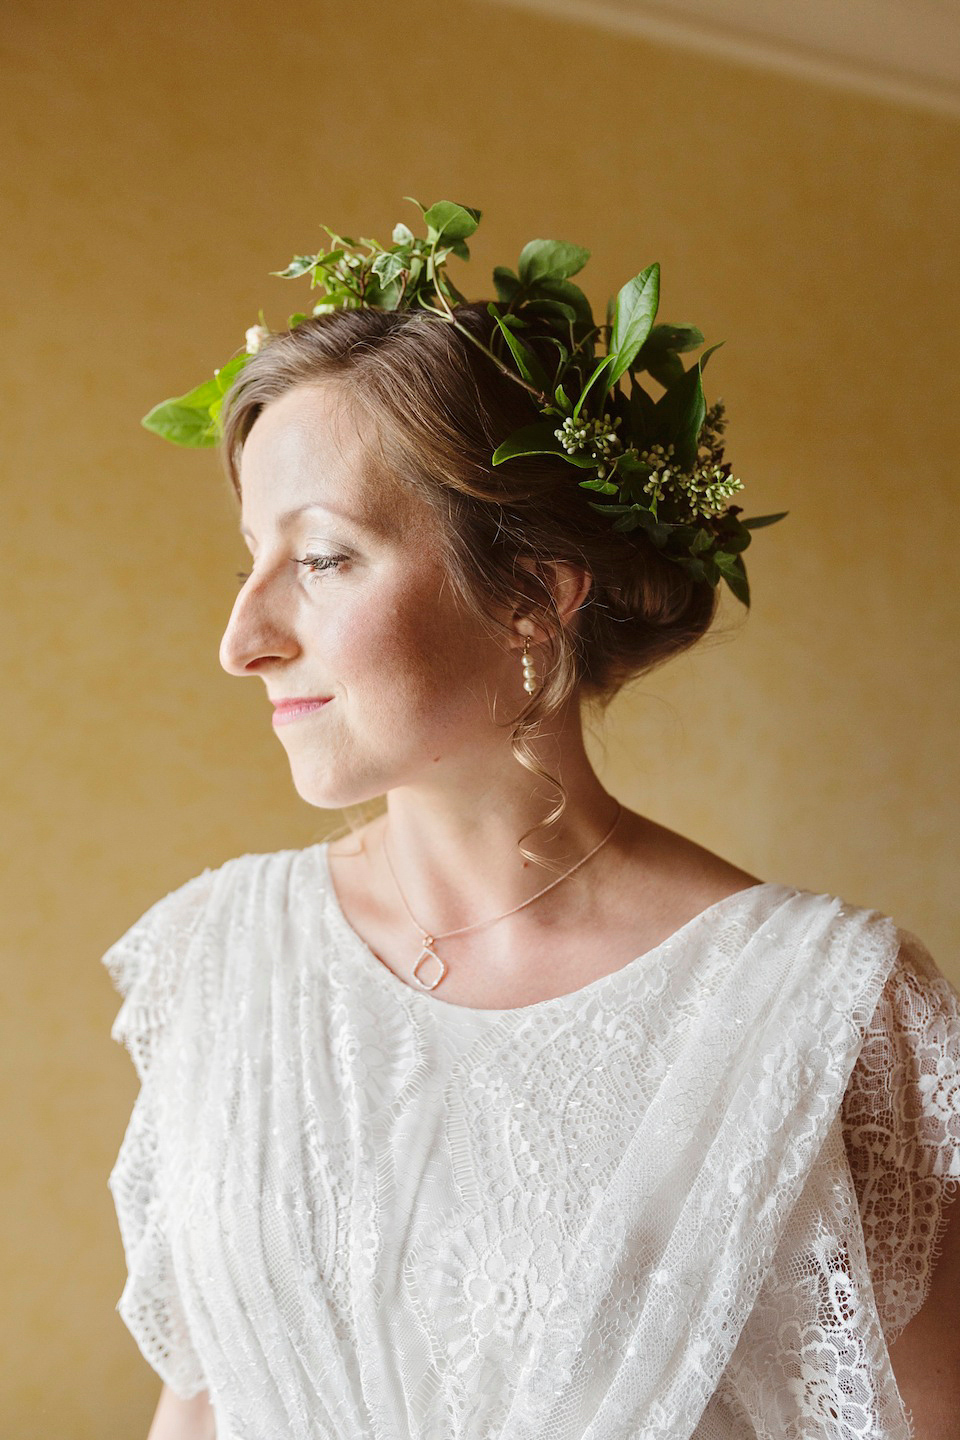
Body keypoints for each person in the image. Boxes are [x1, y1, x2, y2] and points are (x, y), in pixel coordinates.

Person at [103, 296, 960, 1440]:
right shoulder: (211, 963)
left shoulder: (829, 1013)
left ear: (531, 596)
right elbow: (207, 1400)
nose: (242, 637)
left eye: (320, 557)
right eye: (251, 556)